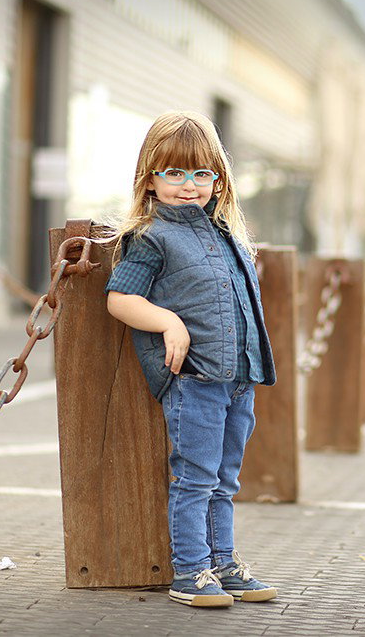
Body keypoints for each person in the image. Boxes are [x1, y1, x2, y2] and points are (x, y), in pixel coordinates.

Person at [102, 111, 277, 608]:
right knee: (196, 477)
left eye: (202, 173)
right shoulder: (152, 237)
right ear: (150, 181)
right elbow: (120, 299)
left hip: (238, 380)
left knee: (225, 479)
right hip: (196, 380)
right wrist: (168, 321)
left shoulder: (229, 237)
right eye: (174, 173)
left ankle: (223, 562)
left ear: (218, 182)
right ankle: (192, 571)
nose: (188, 184)